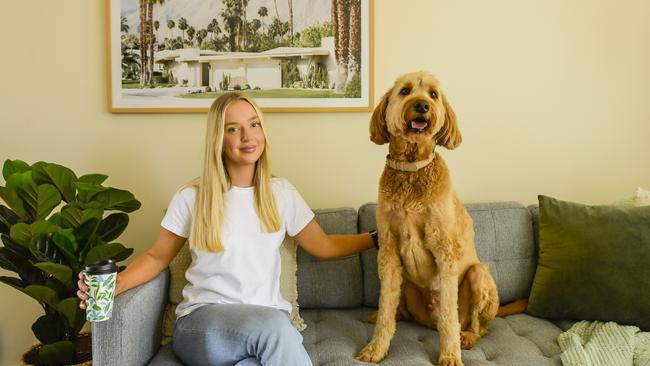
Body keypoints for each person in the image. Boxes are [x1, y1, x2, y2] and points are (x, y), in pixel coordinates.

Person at [77, 92, 375, 366]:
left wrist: (377, 238)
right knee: (275, 330)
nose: (248, 136)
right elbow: (157, 257)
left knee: (257, 354)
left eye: (254, 124)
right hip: (202, 323)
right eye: (233, 129)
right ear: (218, 139)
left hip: (267, 322)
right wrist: (118, 284)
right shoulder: (193, 196)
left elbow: (324, 245)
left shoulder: (281, 193)